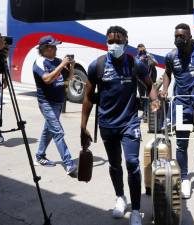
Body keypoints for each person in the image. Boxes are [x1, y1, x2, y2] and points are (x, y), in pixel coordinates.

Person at [81, 26, 153, 225]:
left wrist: (153, 99)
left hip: (129, 122)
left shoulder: (135, 64)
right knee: (114, 164)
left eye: (118, 41)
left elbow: (150, 85)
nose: (114, 44)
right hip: (107, 124)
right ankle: (120, 198)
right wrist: (83, 126)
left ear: (126, 42)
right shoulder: (97, 66)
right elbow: (88, 97)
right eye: (110, 41)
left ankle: (136, 210)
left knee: (132, 163)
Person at [150, 23, 194, 199]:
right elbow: (168, 73)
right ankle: (184, 178)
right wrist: (164, 89)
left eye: (181, 36)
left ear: (189, 37)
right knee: (181, 143)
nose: (178, 39)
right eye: (176, 36)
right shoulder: (170, 56)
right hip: (180, 103)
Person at [32, 35, 76, 175]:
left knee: (49, 130)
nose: (56, 49)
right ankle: (69, 164)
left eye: (56, 46)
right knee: (58, 131)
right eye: (53, 46)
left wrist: (72, 66)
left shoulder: (57, 61)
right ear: (45, 48)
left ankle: (39, 156)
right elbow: (47, 79)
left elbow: (69, 79)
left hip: (58, 102)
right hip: (46, 102)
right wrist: (62, 65)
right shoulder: (40, 62)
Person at [136, 44, 158, 122]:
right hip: (140, 81)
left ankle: (149, 113)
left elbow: (156, 63)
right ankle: (144, 113)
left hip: (149, 81)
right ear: (137, 50)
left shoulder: (149, 56)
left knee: (149, 97)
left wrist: (150, 58)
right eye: (139, 49)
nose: (141, 51)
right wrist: (140, 60)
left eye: (142, 49)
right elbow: (135, 66)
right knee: (142, 98)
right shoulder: (137, 57)